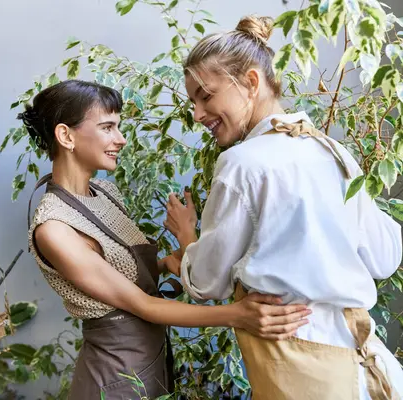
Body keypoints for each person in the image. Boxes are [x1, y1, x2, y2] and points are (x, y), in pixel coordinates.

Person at [19, 79, 312, 399]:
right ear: (66, 135)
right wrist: (239, 315)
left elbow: (119, 282)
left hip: (149, 359)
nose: (121, 139)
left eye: (119, 127)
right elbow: (142, 304)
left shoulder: (104, 193)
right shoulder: (54, 229)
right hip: (113, 376)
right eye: (107, 127)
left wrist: (166, 263)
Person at [164, 15, 403, 400]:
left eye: (205, 96)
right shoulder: (331, 150)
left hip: (300, 371)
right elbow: (385, 257)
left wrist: (187, 236)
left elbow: (208, 282)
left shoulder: (242, 164)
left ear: (251, 82)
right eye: (193, 101)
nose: (197, 114)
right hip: (373, 367)